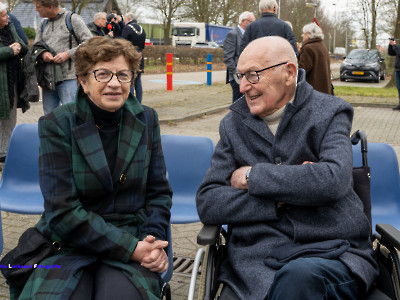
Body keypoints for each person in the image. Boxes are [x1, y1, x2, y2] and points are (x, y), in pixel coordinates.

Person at [196, 36, 378, 299]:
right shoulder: (233, 124)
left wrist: (252, 176)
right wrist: (282, 198)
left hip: (332, 251)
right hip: (256, 260)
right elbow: (208, 202)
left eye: (253, 75)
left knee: (299, 279)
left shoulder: (330, 112)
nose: (244, 86)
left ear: (289, 73)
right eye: (240, 76)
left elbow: (333, 180)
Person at [12, 37, 172, 299]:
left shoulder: (147, 119)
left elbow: (158, 193)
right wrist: (132, 248)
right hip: (69, 242)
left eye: (122, 74)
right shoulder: (57, 124)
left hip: (132, 234)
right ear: (83, 81)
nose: (114, 83)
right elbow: (62, 212)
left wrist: (152, 241)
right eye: (102, 74)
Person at [33, 0, 92, 115]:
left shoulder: (72, 19)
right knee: (49, 116)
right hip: (48, 78)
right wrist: (43, 53)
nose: (36, 9)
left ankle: (71, 134)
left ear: (50, 6)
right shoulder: (43, 24)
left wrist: (68, 54)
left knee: (71, 114)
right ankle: (51, 134)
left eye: (38, 7)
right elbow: (37, 46)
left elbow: (89, 42)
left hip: (69, 77)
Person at [0, 2, 28, 163]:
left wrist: (19, 46)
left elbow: (23, 44)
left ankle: (5, 152)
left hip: (11, 81)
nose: (8, 17)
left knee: (9, 117)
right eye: (4, 15)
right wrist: (10, 50)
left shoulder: (10, 26)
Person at [223, 11, 255, 103]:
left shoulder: (250, 35)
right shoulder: (232, 34)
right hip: (237, 77)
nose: (253, 25)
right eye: (251, 22)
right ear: (243, 21)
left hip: (248, 75)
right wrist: (236, 74)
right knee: (238, 103)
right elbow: (228, 57)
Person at [299, 23, 332, 94]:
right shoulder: (322, 46)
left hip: (312, 92)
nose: (302, 36)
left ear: (309, 34)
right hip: (324, 91)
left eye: (303, 34)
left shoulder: (308, 48)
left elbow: (302, 70)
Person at [121, 12, 146, 103]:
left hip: (130, 56)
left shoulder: (127, 28)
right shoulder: (142, 29)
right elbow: (143, 45)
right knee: (138, 81)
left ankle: (131, 103)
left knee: (130, 79)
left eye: (124, 19)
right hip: (140, 56)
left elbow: (122, 43)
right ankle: (139, 102)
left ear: (128, 18)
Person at [388, 38, 400, 110]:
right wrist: (390, 45)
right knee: (399, 88)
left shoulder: (398, 48)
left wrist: (395, 45)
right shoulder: (398, 47)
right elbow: (391, 53)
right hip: (397, 70)